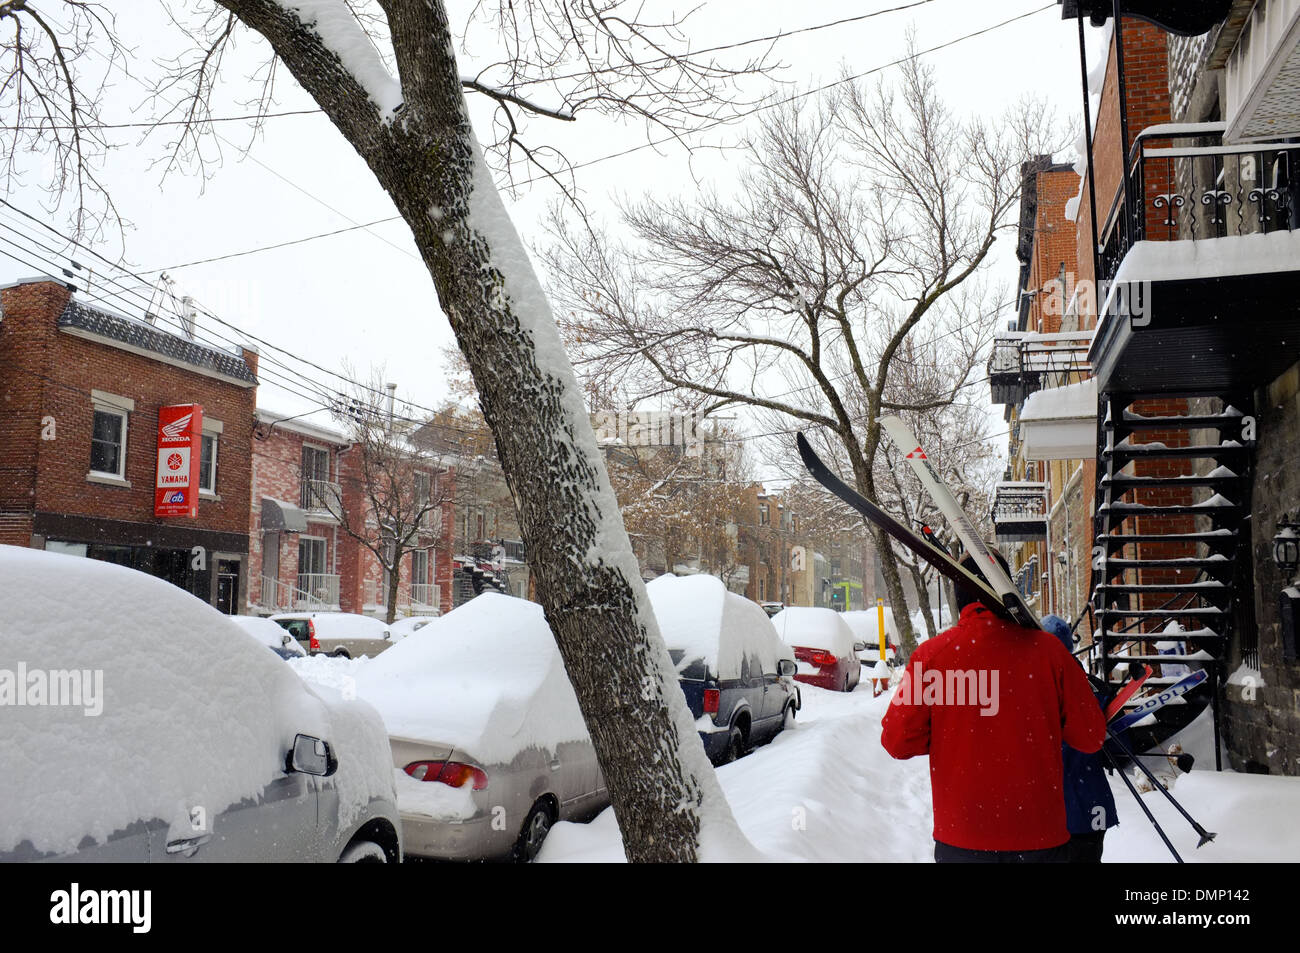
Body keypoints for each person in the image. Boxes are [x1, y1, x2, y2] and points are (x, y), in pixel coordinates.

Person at [881, 552, 1105, 863]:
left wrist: (952, 732)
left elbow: (897, 741)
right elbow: (1091, 735)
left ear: (958, 597)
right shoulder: (1051, 654)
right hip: (1041, 839)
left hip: (962, 838)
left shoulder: (930, 658)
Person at [1041, 614, 1119, 863]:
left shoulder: (1028, 689)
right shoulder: (1095, 688)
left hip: (1050, 811)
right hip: (1090, 804)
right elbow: (1119, 750)